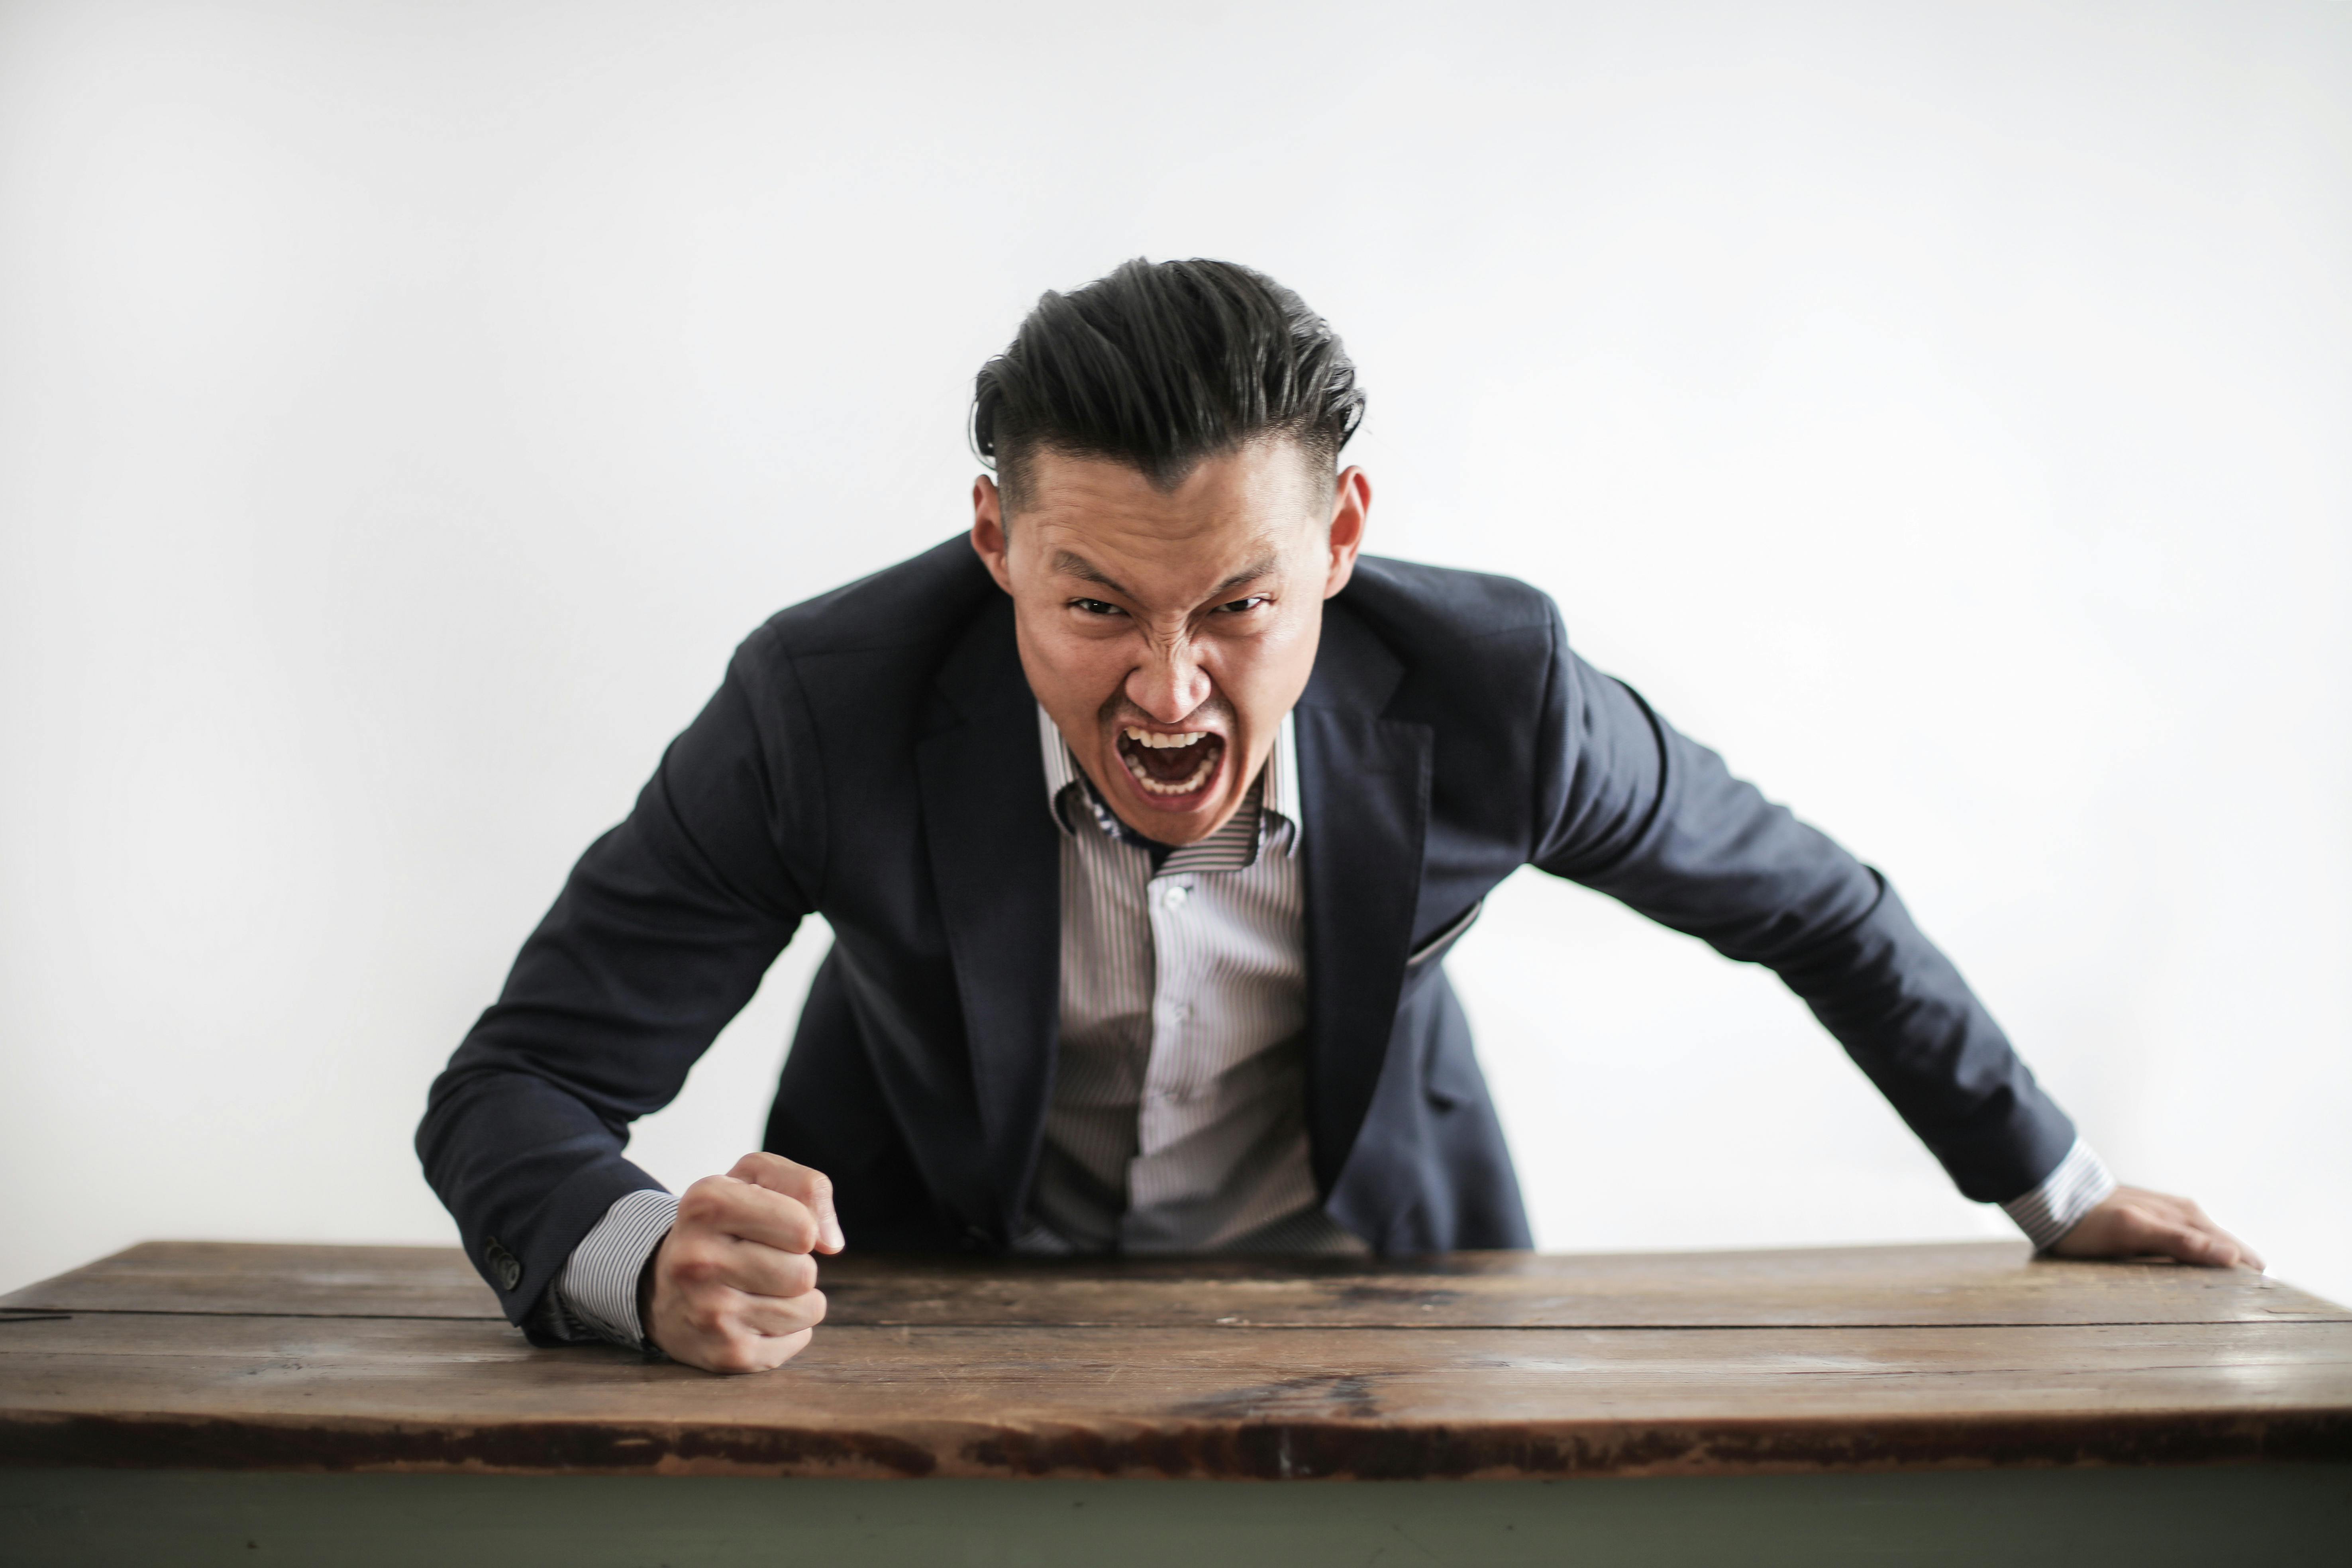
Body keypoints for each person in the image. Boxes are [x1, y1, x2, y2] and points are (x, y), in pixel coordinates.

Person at [418, 258, 2260, 1376]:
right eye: (1092, 608)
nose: (1167, 692)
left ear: (1344, 545)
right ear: (995, 546)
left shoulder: (1498, 698)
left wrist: (2058, 1187)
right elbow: (513, 1089)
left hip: (1384, 1299)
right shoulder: (822, 709)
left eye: (1237, 605)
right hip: (922, 1305)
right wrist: (641, 1260)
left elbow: (1814, 906)